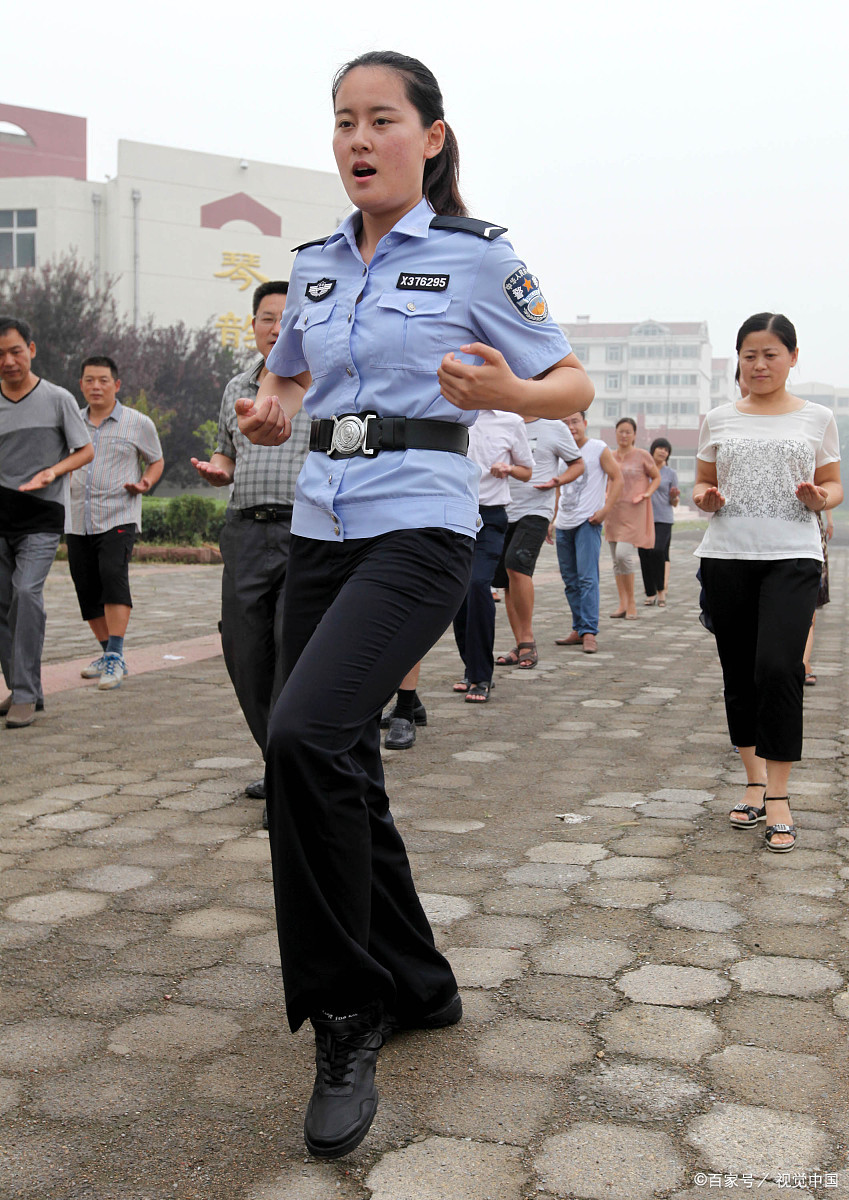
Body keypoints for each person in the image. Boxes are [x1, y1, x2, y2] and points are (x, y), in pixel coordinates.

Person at [235, 50, 593, 1160]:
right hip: (320, 525)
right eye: (342, 122)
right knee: (336, 758)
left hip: (425, 524)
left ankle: (347, 1016)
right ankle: (422, 982)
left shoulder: (479, 256)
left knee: (301, 737)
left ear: (430, 137)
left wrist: (512, 393)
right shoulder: (315, 266)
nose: (357, 141)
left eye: (380, 120)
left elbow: (570, 379)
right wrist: (268, 409)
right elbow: (289, 381)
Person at [693, 312, 842, 853]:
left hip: (792, 558)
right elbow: (704, 482)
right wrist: (705, 499)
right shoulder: (719, 418)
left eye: (771, 354)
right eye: (750, 354)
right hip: (727, 557)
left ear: (793, 357)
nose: (759, 364)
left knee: (779, 668)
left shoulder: (817, 418)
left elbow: (832, 483)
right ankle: (753, 781)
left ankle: (778, 795)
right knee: (739, 674)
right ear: (739, 359)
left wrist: (819, 499)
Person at [191, 281, 309, 819]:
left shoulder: (322, 386)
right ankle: (277, 762)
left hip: (308, 533)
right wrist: (220, 471)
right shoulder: (238, 385)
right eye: (267, 318)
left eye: (288, 317)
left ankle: (291, 778)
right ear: (254, 324)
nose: (276, 327)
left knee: (293, 649)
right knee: (245, 651)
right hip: (244, 531)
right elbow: (226, 453)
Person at [0, 316, 93, 728]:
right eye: (0, 354)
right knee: (2, 607)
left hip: (41, 516)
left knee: (25, 594)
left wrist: (53, 472)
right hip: (0, 516)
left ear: (31, 350)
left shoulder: (57, 398)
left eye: (16, 351)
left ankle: (23, 693)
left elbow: (85, 450)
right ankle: (23, 688)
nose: (8, 361)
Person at [66, 356, 164, 691]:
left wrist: (146, 484)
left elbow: (155, 460)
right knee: (87, 587)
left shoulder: (137, 423)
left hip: (118, 514)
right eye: (89, 380)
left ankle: (116, 654)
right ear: (81, 384)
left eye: (103, 380)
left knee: (112, 577)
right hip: (77, 517)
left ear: (116, 385)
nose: (96, 386)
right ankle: (108, 655)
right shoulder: (70, 422)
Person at [452, 408, 532, 699]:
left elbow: (527, 471)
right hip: (455, 514)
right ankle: (470, 667)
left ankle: (481, 676)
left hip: (491, 518)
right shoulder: (454, 416)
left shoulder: (511, 422)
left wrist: (508, 469)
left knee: (477, 584)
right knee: (458, 592)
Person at [494, 417, 583, 669]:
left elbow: (577, 464)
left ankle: (528, 640)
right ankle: (520, 642)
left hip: (537, 510)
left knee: (516, 564)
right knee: (507, 580)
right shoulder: (503, 422)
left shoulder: (554, 427)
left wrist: (558, 481)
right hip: (501, 507)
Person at [552, 410, 622, 653]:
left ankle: (590, 631)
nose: (571, 427)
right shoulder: (561, 452)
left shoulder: (598, 448)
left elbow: (617, 478)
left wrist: (605, 510)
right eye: (565, 422)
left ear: (585, 423)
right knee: (570, 580)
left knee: (587, 578)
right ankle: (578, 627)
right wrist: (552, 520)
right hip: (563, 523)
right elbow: (558, 489)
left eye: (574, 421)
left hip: (588, 522)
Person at [604, 416, 660, 619]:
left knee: (623, 555)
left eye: (628, 431)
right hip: (613, 512)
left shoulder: (642, 455)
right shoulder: (609, 456)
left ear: (635, 435)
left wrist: (647, 493)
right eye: (621, 431)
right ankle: (622, 604)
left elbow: (656, 477)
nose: (624, 435)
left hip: (633, 511)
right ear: (616, 433)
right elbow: (603, 479)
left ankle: (632, 603)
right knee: (616, 560)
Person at [638, 436, 679, 606]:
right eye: (660, 448)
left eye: (666, 450)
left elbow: (674, 503)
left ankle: (661, 590)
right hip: (643, 518)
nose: (663, 451)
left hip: (663, 519)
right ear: (653, 450)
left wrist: (674, 497)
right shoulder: (643, 470)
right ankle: (650, 593)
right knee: (644, 554)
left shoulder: (671, 473)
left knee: (657, 551)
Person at [803, 509, 833, 685]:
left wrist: (830, 520)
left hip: (811, 531)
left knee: (808, 605)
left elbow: (826, 487)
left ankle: (804, 663)